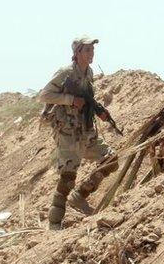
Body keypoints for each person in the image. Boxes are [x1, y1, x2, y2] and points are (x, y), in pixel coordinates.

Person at [39, 36, 119, 230]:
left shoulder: (89, 72)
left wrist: (98, 111)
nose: (91, 54)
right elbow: (44, 95)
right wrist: (70, 100)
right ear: (77, 53)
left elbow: (87, 98)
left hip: (84, 128)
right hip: (67, 130)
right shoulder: (66, 72)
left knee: (111, 161)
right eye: (87, 50)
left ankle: (80, 196)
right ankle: (54, 224)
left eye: (92, 50)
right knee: (67, 177)